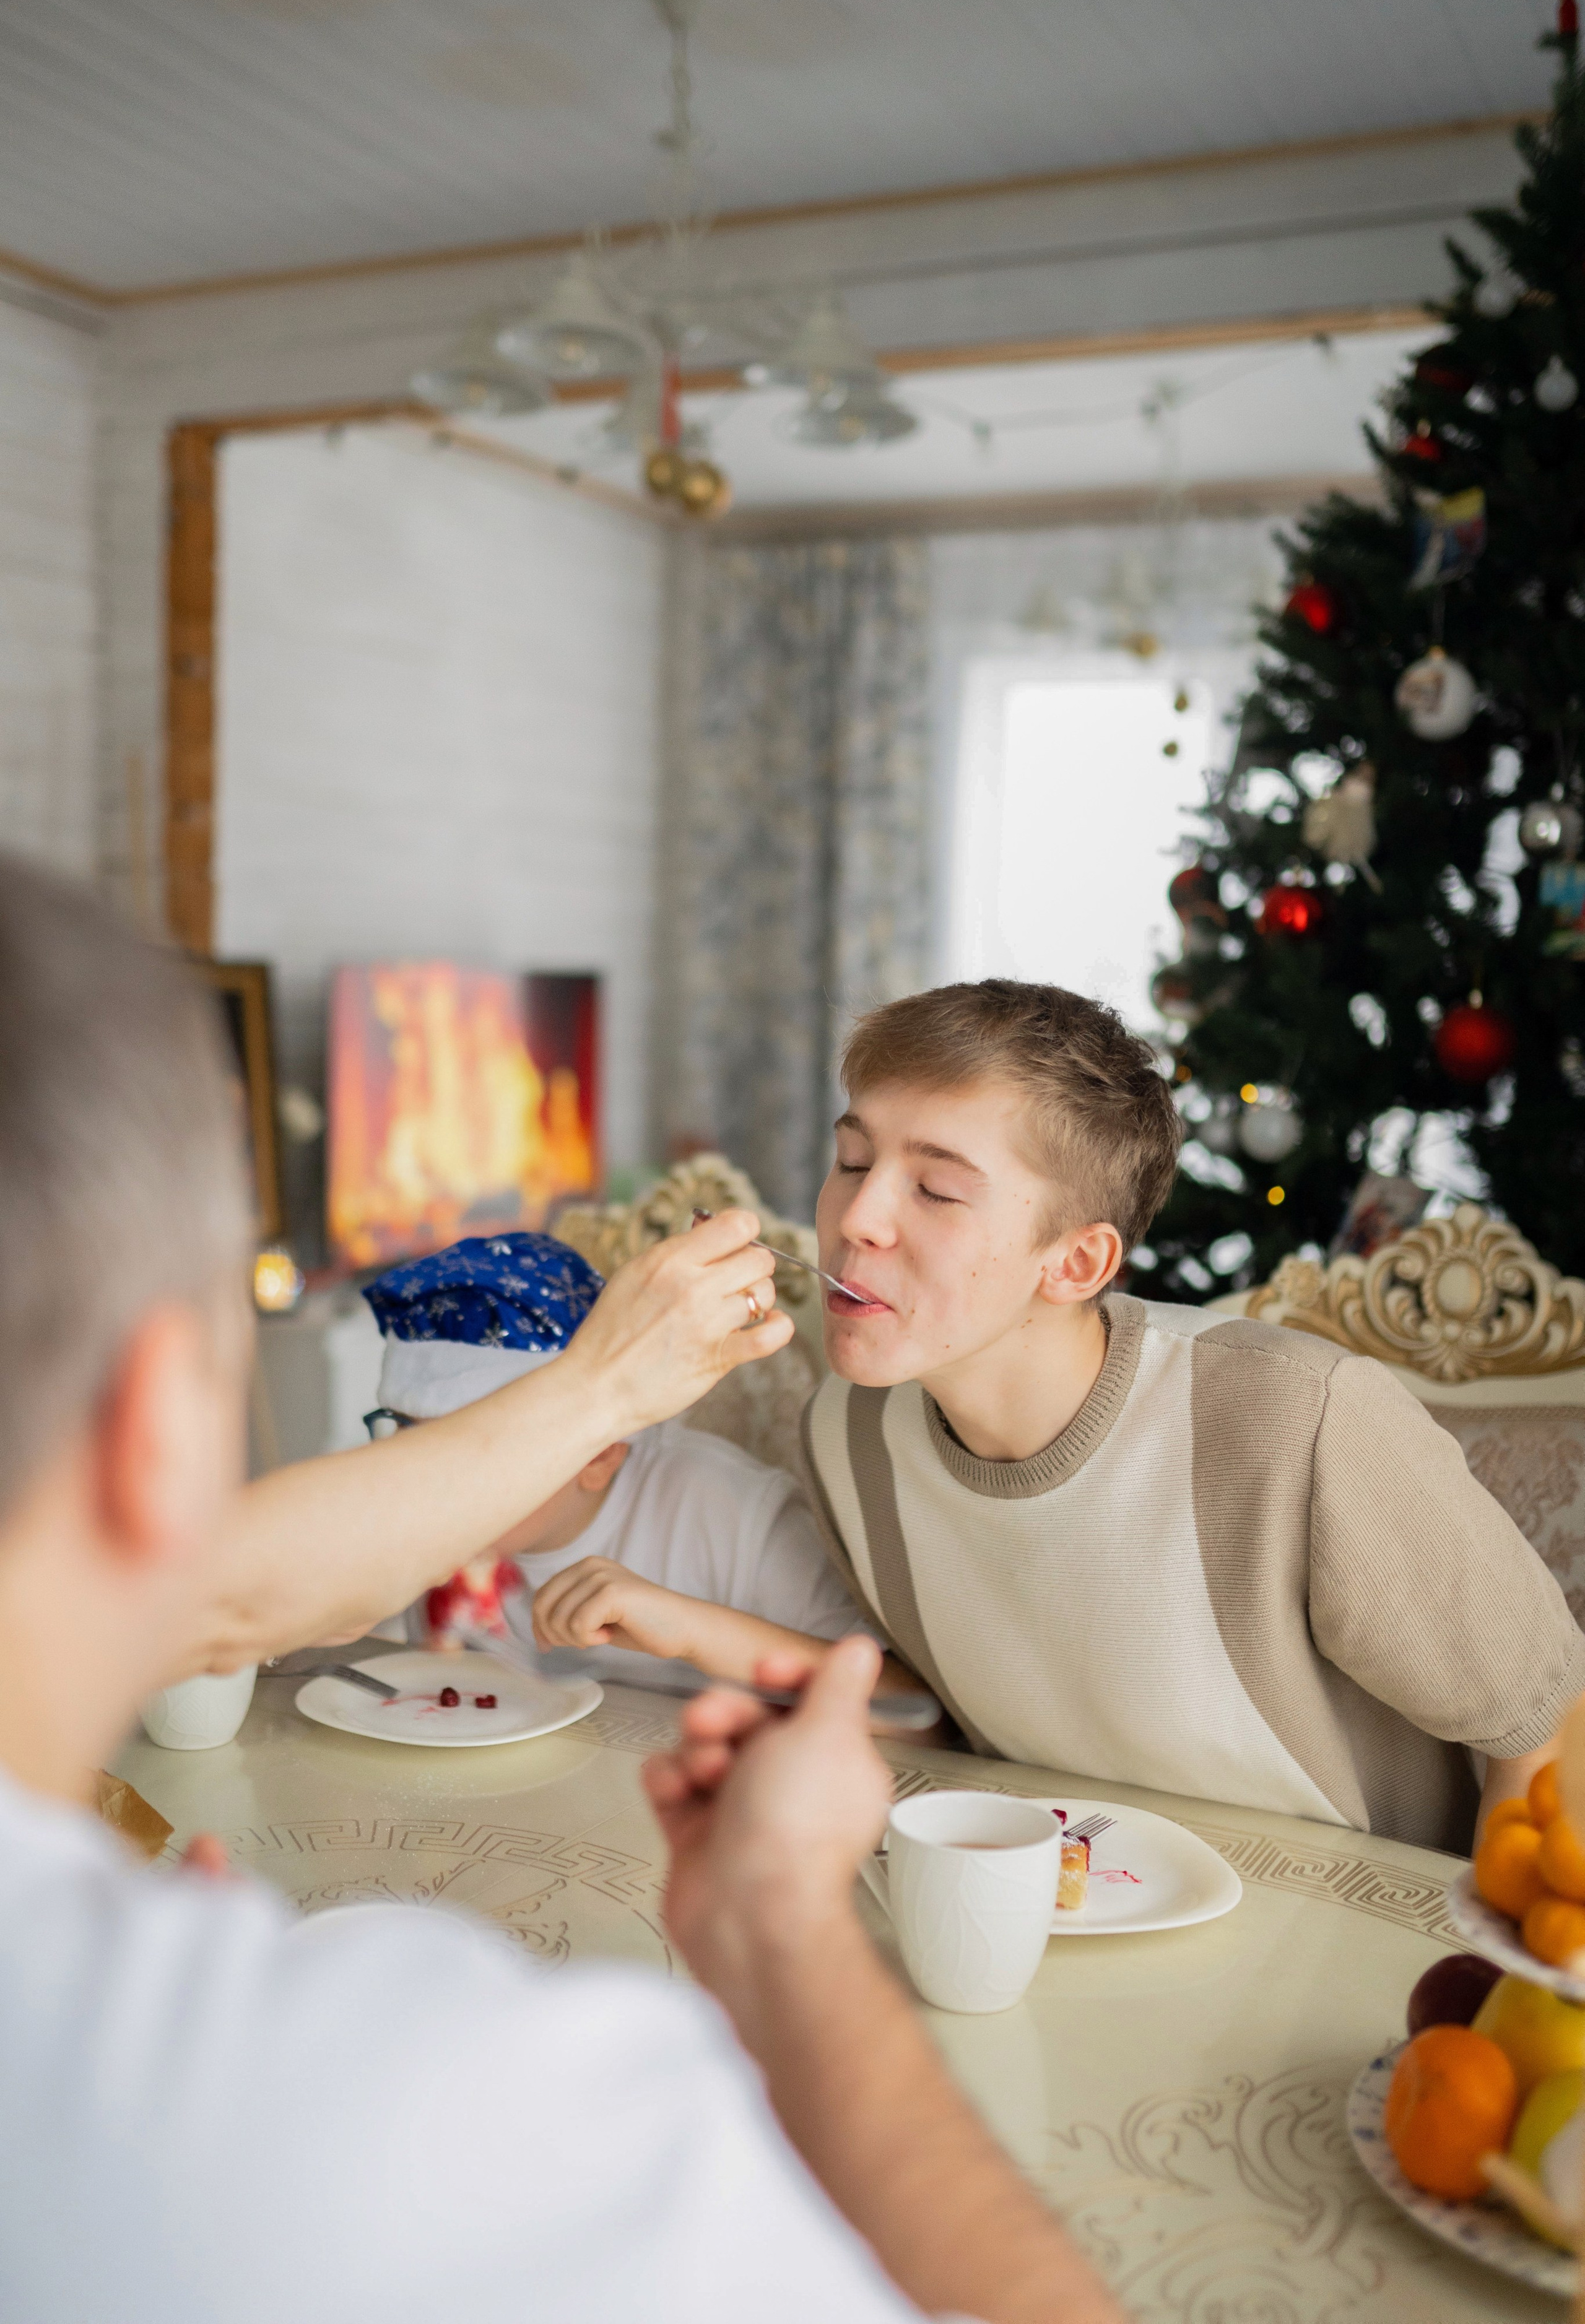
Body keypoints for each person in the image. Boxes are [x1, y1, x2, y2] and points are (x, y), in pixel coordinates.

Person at [0, 859, 1119, 2324]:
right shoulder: (428, 2101)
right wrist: (786, 1933)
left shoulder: (795, 1479)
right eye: (851, 1161)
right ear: (157, 1424)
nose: (859, 1218)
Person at [575, 978, 1585, 1854]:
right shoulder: (850, 1434)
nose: (857, 1219)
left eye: (934, 1188)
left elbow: (1547, 1726)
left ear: (1079, 1264)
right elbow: (940, 1714)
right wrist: (683, 1628)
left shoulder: (1297, 1421)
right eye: (852, 1159)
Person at [359, 1229, 873, 1665]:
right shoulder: (415, 1531)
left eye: (476, 1451)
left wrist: (691, 1628)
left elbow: (908, 1712)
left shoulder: (731, 1516)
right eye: (409, 1434)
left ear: (599, 1456)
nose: (428, 1483)